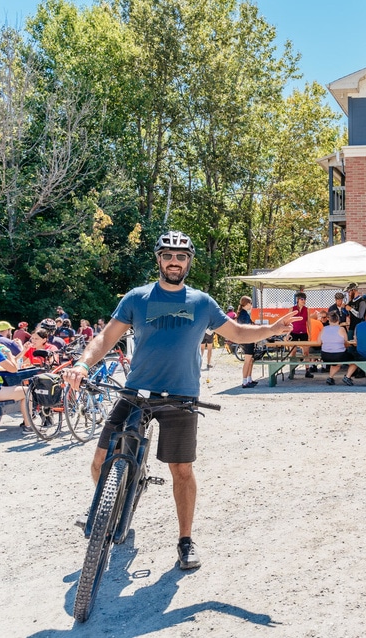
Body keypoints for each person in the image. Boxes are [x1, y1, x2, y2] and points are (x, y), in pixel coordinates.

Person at [64, 230, 298, 570]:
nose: (175, 262)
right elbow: (105, 337)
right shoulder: (137, 298)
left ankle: (185, 540)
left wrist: (270, 329)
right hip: (137, 392)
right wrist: (83, 364)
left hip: (181, 395)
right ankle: (106, 508)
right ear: (158, 259)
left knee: (182, 470)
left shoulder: (201, 302)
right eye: (168, 256)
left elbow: (235, 332)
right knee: (101, 461)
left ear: (189, 261)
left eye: (181, 257)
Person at [320, 311, 350, 385]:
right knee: (355, 359)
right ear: (338, 320)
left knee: (336, 363)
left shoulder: (324, 329)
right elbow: (346, 343)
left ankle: (330, 377)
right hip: (338, 355)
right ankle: (348, 376)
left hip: (325, 356)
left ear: (329, 320)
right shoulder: (342, 329)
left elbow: (318, 342)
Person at [288, 291, 313, 378]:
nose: (304, 301)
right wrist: (288, 333)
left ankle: (307, 370)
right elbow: (288, 322)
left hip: (303, 332)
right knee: (293, 352)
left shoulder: (307, 309)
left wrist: (310, 334)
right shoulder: (292, 309)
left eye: (305, 299)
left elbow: (308, 323)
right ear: (298, 300)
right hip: (294, 333)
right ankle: (292, 370)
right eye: (302, 299)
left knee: (306, 352)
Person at [237, 296, 259, 388]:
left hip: (247, 339)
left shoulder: (244, 313)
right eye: (250, 303)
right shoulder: (244, 314)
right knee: (247, 361)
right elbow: (247, 326)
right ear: (247, 304)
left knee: (251, 360)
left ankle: (249, 379)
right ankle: (244, 381)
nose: (251, 305)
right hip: (247, 340)